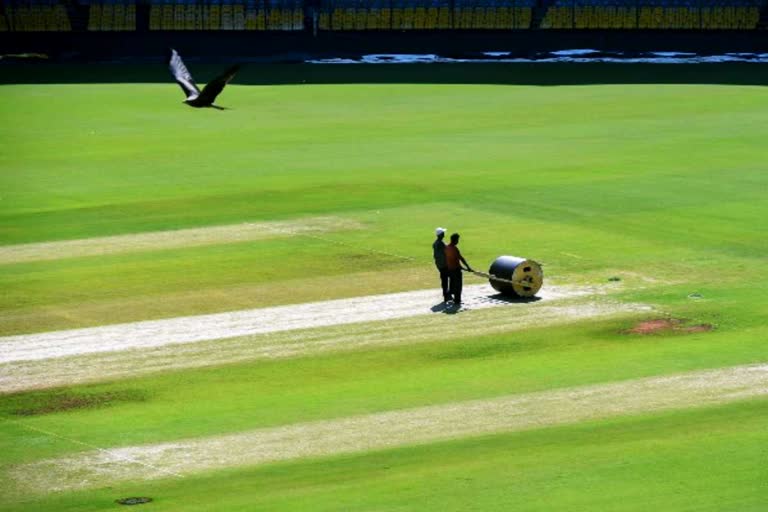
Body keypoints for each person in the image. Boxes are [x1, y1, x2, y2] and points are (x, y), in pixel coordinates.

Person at [444, 233, 473, 305]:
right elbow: (461, 258)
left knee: (453, 284)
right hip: (456, 270)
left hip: (450, 269)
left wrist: (462, 267)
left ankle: (448, 297)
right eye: (457, 239)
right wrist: (468, 267)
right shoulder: (455, 249)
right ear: (455, 240)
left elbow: (451, 259)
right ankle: (457, 300)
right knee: (458, 285)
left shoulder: (447, 248)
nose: (458, 241)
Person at [432, 227, 450, 302]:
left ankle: (446, 294)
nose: (444, 234)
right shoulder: (441, 243)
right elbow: (447, 252)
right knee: (448, 279)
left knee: (444, 279)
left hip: (439, 264)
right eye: (443, 233)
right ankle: (447, 295)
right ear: (441, 234)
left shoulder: (435, 243)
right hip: (444, 264)